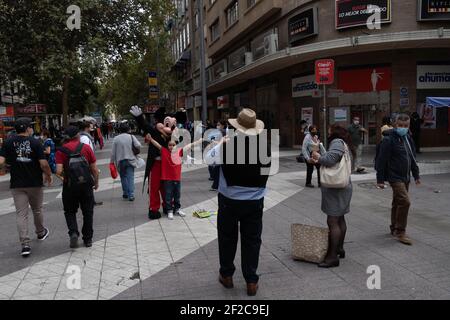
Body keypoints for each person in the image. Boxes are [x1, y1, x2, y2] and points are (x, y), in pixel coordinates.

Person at [206, 108, 271, 297]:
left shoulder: (227, 146)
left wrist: (220, 144)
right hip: (255, 201)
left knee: (227, 238)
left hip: (229, 201)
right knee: (252, 240)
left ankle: (226, 276)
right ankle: (251, 280)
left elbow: (208, 159)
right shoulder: (265, 147)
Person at [0, 118, 52, 257]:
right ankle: (40, 233)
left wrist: (6, 168)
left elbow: (1, 161)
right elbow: (43, 163)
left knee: (21, 214)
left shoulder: (8, 142)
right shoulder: (35, 142)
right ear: (28, 128)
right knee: (37, 209)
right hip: (35, 183)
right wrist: (48, 175)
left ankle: (25, 244)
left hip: (17, 184)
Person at [311, 124, 355, 268]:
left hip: (336, 188)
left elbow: (330, 159)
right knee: (340, 218)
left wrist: (318, 156)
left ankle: (332, 257)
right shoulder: (345, 143)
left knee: (332, 221)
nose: (327, 131)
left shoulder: (337, 142)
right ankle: (339, 249)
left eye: (329, 130)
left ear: (335, 132)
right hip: (344, 185)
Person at [376, 113, 420, 245]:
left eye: (405, 126)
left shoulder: (408, 138)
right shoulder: (389, 140)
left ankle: (394, 227)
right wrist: (380, 179)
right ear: (395, 125)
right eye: (400, 125)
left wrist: (416, 175)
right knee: (405, 202)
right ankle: (401, 231)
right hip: (394, 177)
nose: (403, 128)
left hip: (405, 176)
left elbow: (412, 157)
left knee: (397, 202)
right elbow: (381, 160)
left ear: (409, 126)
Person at [56, 126, 99, 248]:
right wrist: (96, 182)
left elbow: (58, 171)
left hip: (69, 186)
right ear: (78, 136)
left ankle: (73, 232)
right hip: (86, 185)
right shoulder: (85, 148)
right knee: (88, 212)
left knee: (69, 211)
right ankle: (88, 239)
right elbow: (94, 169)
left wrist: (66, 178)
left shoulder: (61, 150)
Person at [130, 106, 176, 220]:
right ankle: (154, 209)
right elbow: (145, 125)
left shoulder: (174, 135)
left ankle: (168, 205)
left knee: (167, 187)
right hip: (155, 164)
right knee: (154, 187)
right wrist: (139, 117)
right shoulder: (154, 131)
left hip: (167, 165)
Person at [148, 136, 203, 220]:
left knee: (177, 195)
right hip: (167, 179)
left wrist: (198, 142)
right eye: (170, 145)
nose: (172, 147)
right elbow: (158, 145)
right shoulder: (164, 151)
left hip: (177, 178)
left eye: (173, 145)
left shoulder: (179, 151)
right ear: (167, 146)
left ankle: (177, 209)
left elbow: (189, 145)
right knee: (168, 195)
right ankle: (169, 210)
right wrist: (151, 139)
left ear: (176, 146)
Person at [110, 123, 142, 202]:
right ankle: (131, 195)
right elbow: (138, 145)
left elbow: (113, 152)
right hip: (130, 160)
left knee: (123, 177)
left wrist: (111, 162)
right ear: (128, 129)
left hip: (120, 161)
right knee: (130, 177)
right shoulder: (131, 137)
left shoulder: (116, 138)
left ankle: (125, 193)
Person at [80, 121, 103, 206]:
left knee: (88, 181)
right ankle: (90, 201)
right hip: (87, 162)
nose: (92, 128)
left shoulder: (83, 136)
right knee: (89, 181)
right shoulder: (85, 138)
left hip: (85, 161)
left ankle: (90, 200)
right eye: (90, 127)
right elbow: (86, 151)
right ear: (86, 128)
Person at [210, 120, 228, 191]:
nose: (217, 126)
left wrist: (214, 142)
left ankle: (216, 185)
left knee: (216, 170)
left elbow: (223, 142)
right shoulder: (221, 132)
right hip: (219, 153)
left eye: (219, 124)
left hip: (221, 153)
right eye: (217, 124)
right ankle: (216, 185)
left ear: (223, 125)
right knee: (217, 170)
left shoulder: (223, 132)